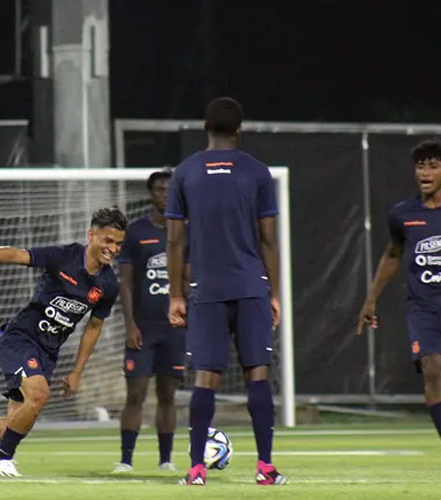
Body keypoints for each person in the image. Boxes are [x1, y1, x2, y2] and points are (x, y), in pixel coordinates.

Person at [0, 208, 127, 478]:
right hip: (22, 338)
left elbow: (94, 327)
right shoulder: (64, 256)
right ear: (91, 235)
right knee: (39, 395)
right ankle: (1, 460)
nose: (112, 248)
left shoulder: (108, 284)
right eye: (107, 240)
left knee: (14, 426)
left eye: (118, 243)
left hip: (48, 351)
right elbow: (21, 255)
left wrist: (77, 371)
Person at [165, 97, 287, 486]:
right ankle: (265, 468)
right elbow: (268, 240)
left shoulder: (185, 173)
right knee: (258, 374)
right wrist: (274, 292)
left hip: (207, 289)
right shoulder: (256, 172)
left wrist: (176, 295)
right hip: (251, 285)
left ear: (206, 127)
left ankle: (197, 469)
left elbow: (174, 243)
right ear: (239, 129)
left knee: (206, 378)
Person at [357, 139, 441, 453]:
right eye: (421, 166)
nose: (425, 172)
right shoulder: (403, 214)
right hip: (423, 309)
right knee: (432, 370)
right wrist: (370, 299)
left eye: (433, 165)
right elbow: (393, 254)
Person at [113, 170, 185, 473]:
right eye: (159, 189)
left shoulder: (184, 231)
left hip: (176, 328)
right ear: (150, 193)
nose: (164, 194)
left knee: (168, 395)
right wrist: (130, 325)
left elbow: (192, 276)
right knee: (136, 393)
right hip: (143, 327)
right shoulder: (135, 231)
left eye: (169, 189)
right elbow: (126, 283)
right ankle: (126, 460)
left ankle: (166, 459)